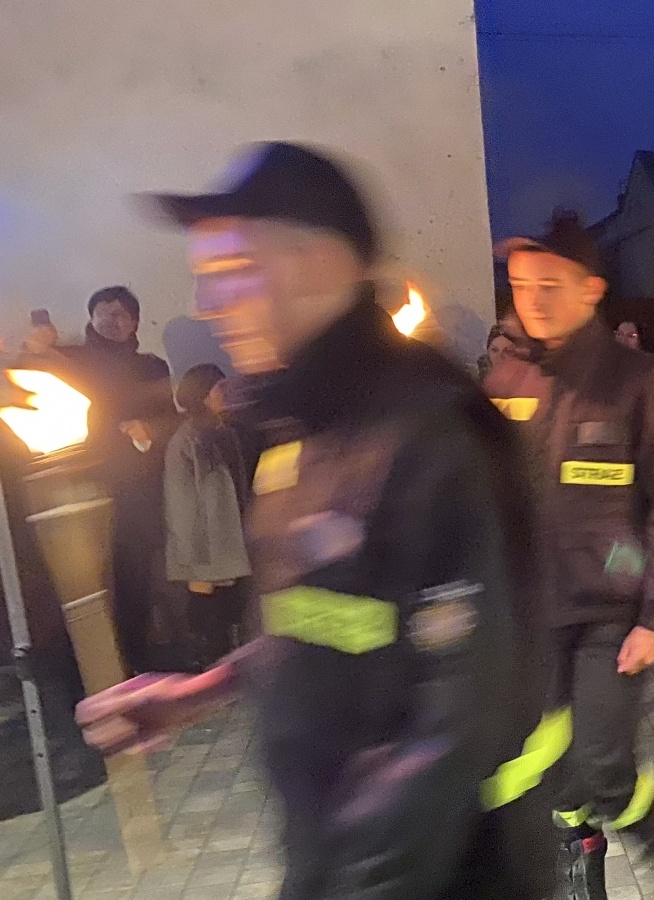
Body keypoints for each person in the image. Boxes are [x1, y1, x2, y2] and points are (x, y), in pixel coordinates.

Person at [73, 141, 557, 900]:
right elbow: (319, 623)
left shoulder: (439, 435)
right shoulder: (301, 429)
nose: (207, 301)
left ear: (318, 265)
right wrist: (200, 692)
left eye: (232, 271)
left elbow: (458, 721)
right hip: (331, 851)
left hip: (450, 869)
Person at [486, 211, 654, 900]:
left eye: (551, 284)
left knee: (604, 761)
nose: (534, 299)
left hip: (613, 612)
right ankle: (581, 873)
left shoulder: (638, 382)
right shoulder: (502, 381)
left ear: (592, 289)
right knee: (545, 763)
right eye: (521, 284)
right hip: (529, 612)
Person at [22, 286, 176, 672]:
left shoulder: (152, 367)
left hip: (136, 485)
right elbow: (27, 387)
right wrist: (36, 348)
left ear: (135, 322)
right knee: (83, 577)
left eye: (122, 313)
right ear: (91, 318)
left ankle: (134, 661)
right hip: (79, 483)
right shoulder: (69, 359)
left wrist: (149, 430)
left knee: (135, 572)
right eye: (104, 312)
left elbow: (171, 418)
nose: (113, 319)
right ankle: (84, 668)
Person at [164, 364, 250, 667]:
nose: (224, 394)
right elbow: (182, 504)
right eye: (218, 388)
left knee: (230, 606)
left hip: (229, 537)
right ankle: (215, 665)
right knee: (210, 609)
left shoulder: (223, 431)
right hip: (207, 544)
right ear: (202, 395)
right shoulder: (187, 441)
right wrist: (194, 559)